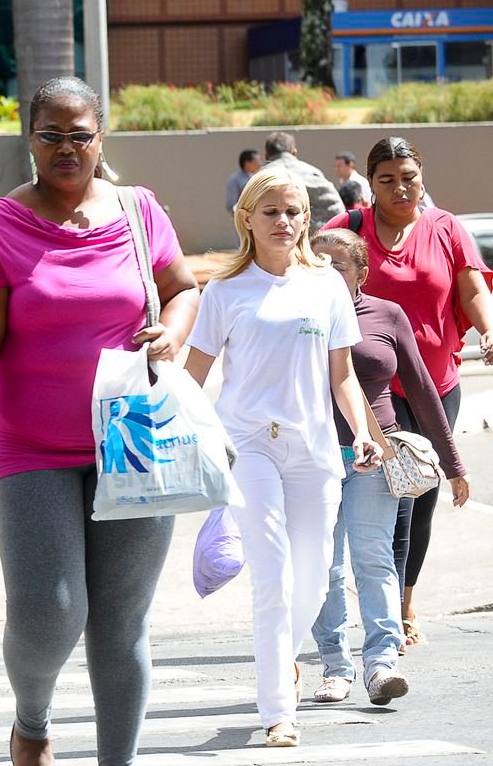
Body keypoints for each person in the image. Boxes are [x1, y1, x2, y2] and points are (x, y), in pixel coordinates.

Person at [0, 77, 200, 766]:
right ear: (30, 140)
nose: (66, 148)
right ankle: (32, 719)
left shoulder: (140, 211)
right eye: (50, 135)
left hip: (133, 439)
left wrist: (173, 333)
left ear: (100, 138)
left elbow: (181, 289)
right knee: (49, 612)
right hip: (29, 448)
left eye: (79, 134)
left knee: (121, 623)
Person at [184, 169, 379, 748]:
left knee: (315, 580)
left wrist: (363, 432)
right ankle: (278, 711)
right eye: (270, 212)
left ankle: (283, 662)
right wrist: (186, 435)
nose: (284, 222)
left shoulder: (326, 287)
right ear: (247, 218)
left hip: (315, 448)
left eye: (293, 212)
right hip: (248, 446)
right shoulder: (223, 291)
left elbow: (341, 374)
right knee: (271, 576)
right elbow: (194, 377)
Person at [318, 136, 493, 653]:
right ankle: (388, 612)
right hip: (367, 390)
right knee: (386, 503)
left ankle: (403, 598)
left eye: (408, 177)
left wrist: (488, 329)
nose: (400, 188)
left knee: (420, 497)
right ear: (369, 184)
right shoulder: (348, 228)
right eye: (387, 179)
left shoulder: (445, 228)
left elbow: (473, 287)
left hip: (433, 385)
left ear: (422, 177)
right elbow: (302, 270)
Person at [306, 228, 467, 708]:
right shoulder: (296, 317)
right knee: (325, 566)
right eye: (317, 263)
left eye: (337, 265)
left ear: (361, 272)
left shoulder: (386, 314)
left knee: (373, 557)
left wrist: (453, 463)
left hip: (374, 454)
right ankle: (336, 666)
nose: (327, 273)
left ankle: (381, 665)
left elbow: (420, 386)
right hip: (311, 459)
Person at [260, 132, 343, 228]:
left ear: (266, 156)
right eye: (271, 212)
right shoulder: (313, 173)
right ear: (294, 152)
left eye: (293, 212)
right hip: (314, 239)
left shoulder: (259, 178)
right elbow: (337, 211)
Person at [226, 148, 262, 214]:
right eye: (257, 160)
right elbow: (231, 204)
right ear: (247, 163)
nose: (260, 163)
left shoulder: (257, 178)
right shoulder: (235, 179)